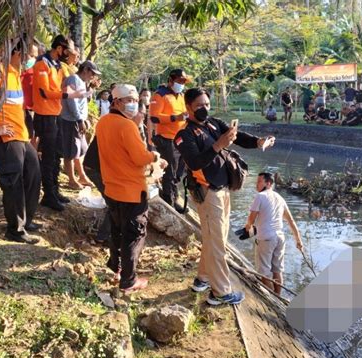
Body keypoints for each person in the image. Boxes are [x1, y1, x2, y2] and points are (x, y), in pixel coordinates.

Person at [174, 87, 275, 306]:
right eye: (200, 105)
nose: (205, 108)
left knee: (213, 239)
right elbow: (194, 162)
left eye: (207, 104)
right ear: (188, 106)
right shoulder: (184, 135)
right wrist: (219, 144)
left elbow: (237, 137)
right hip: (207, 193)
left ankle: (203, 279)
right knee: (218, 242)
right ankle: (220, 292)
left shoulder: (213, 123)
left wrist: (258, 142)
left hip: (223, 190)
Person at [96, 84, 167, 292]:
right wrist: (155, 157)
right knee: (134, 235)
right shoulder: (126, 126)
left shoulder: (103, 122)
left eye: (135, 100)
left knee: (117, 230)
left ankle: (116, 267)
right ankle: (128, 280)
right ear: (116, 102)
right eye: (128, 100)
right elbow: (139, 157)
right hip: (131, 190)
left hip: (112, 187)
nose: (133, 104)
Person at [0, 41, 41, 244]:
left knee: (34, 174)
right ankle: (15, 230)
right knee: (13, 182)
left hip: (21, 135)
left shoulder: (14, 73)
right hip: (6, 138)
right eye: (30, 55)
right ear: (18, 51)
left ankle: (26, 222)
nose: (32, 60)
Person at [32, 34, 87, 211]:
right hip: (44, 116)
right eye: (67, 51)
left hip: (56, 115)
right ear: (59, 49)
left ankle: (54, 191)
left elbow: (60, 88)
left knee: (56, 156)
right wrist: (69, 95)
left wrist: (73, 91)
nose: (69, 55)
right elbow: (45, 93)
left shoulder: (58, 66)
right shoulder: (42, 64)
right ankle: (48, 195)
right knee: (48, 158)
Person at [244, 172, 303, 295]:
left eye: (260, 181)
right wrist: (298, 240)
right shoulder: (280, 198)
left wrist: (248, 227)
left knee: (264, 272)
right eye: (257, 181)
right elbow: (291, 221)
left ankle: (272, 299)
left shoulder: (260, 196)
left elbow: (251, 218)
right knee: (277, 270)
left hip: (266, 238)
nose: (257, 184)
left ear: (268, 183)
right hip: (280, 238)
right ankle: (278, 296)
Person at [149, 69, 189, 213]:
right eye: (179, 81)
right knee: (170, 172)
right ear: (171, 81)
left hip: (181, 139)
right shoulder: (160, 94)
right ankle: (169, 201)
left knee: (179, 171)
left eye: (184, 81)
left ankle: (174, 195)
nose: (182, 84)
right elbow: (154, 117)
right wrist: (174, 118)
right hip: (166, 139)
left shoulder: (182, 96)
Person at [61, 60, 101, 190]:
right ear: (86, 70)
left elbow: (83, 100)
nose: (93, 76)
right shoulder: (73, 79)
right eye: (92, 73)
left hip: (77, 120)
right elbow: (72, 101)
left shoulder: (82, 82)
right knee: (71, 152)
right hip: (70, 120)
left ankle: (81, 176)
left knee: (80, 149)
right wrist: (79, 120)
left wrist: (92, 88)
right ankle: (71, 179)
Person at [20, 43, 38, 145]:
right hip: (19, 108)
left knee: (30, 134)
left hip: (29, 109)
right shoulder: (16, 70)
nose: (33, 59)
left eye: (35, 56)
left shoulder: (34, 70)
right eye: (31, 56)